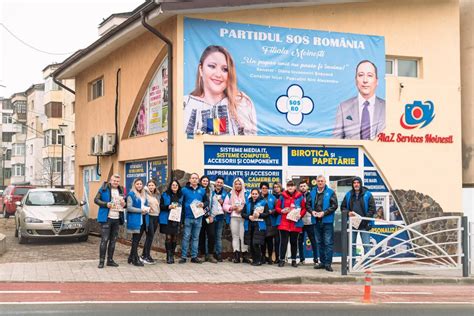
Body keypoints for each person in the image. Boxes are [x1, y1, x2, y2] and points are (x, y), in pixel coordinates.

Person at [184, 45, 257, 136]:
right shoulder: (185, 104)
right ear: (201, 69)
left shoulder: (242, 103)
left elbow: (251, 143)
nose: (218, 74)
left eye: (225, 69)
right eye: (212, 66)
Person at [333, 60, 386, 140]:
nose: (365, 80)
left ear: (376, 81)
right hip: (352, 152)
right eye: (361, 75)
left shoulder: (387, 108)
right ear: (355, 80)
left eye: (370, 75)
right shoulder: (343, 107)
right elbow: (336, 140)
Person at [341, 177, 376, 267]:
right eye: (354, 183)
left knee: (366, 245)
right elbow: (343, 207)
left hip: (365, 224)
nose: (356, 184)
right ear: (352, 184)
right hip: (353, 224)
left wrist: (365, 218)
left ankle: (367, 265)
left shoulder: (368, 194)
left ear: (360, 184)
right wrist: (348, 213)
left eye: (358, 183)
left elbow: (372, 209)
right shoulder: (349, 194)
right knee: (352, 245)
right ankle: (352, 265)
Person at [94, 173, 126, 269]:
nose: (115, 182)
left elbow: (125, 204)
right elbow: (96, 200)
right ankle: (101, 261)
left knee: (113, 240)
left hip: (117, 218)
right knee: (104, 240)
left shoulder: (121, 189)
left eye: (117, 181)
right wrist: (106, 204)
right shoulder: (104, 188)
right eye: (114, 180)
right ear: (111, 180)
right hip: (106, 218)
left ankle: (110, 260)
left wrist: (124, 203)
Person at [307, 176, 338, 272]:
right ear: (316, 182)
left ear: (325, 182)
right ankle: (322, 262)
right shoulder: (312, 192)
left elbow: (334, 205)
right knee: (319, 243)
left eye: (322, 181)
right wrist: (312, 212)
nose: (320, 182)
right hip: (316, 221)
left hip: (327, 221)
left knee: (328, 243)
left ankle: (328, 263)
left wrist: (324, 213)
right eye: (318, 181)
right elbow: (307, 205)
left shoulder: (330, 192)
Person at [275, 180, 306, 267]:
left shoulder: (300, 197)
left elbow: (304, 208)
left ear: (295, 187)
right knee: (283, 242)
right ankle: (281, 260)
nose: (290, 187)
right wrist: (281, 210)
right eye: (288, 186)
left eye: (292, 186)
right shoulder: (282, 196)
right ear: (287, 187)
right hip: (284, 222)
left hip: (295, 222)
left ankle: (293, 260)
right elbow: (277, 207)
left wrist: (300, 215)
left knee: (294, 242)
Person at [179, 173, 208, 264]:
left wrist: (203, 204)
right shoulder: (184, 190)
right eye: (193, 178)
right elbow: (180, 203)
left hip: (198, 217)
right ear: (190, 180)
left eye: (196, 178)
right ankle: (183, 256)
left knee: (196, 238)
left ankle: (194, 256)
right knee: (186, 237)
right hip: (187, 217)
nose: (194, 180)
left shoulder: (202, 190)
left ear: (198, 180)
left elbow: (207, 201)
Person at [223, 177, 251, 263]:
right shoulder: (230, 194)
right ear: (234, 185)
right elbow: (225, 205)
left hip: (243, 218)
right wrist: (231, 207)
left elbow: (250, 205)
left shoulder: (247, 194)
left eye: (239, 184)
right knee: (235, 236)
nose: (238, 185)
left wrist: (242, 209)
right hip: (234, 217)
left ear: (242, 185)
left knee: (243, 236)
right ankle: (236, 255)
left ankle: (245, 254)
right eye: (236, 184)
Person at [241, 188, 269, 266]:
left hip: (259, 225)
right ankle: (254, 260)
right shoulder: (247, 202)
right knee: (251, 243)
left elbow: (267, 214)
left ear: (258, 194)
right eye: (253, 194)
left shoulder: (263, 202)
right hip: (249, 225)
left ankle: (259, 260)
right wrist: (248, 216)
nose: (254, 195)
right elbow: (242, 214)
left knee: (255, 243)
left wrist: (259, 215)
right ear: (251, 194)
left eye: (256, 194)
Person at [126, 178, 150, 267]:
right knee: (135, 240)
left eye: (140, 184)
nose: (139, 185)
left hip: (143, 219)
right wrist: (141, 210)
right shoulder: (131, 194)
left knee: (137, 240)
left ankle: (131, 257)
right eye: (137, 184)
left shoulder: (143, 194)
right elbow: (129, 207)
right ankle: (135, 259)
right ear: (134, 185)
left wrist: (147, 208)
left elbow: (145, 204)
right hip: (135, 219)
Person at [159, 180, 184, 264]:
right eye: (173, 185)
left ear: (178, 186)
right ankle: (168, 256)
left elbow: (183, 208)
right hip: (167, 219)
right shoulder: (165, 194)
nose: (174, 186)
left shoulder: (181, 195)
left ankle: (172, 255)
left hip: (176, 219)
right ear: (170, 186)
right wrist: (168, 206)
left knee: (174, 238)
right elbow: (161, 206)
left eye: (176, 185)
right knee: (168, 238)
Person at [297, 181, 319, 267]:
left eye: (304, 186)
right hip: (301, 222)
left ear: (307, 187)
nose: (303, 187)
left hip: (310, 222)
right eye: (301, 186)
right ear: (299, 188)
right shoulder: (298, 196)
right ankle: (302, 259)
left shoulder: (312, 195)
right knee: (300, 241)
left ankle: (316, 259)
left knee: (313, 241)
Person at [198, 175, 217, 263]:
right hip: (199, 216)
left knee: (211, 234)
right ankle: (201, 254)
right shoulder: (198, 190)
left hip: (209, 216)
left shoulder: (212, 192)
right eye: (203, 181)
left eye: (206, 181)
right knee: (201, 235)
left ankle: (210, 254)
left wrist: (212, 215)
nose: (205, 182)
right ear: (200, 181)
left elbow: (214, 204)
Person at [141, 179, 160, 264]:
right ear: (147, 186)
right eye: (149, 185)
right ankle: (146, 256)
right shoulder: (144, 193)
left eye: (152, 185)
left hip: (156, 217)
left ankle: (144, 255)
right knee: (150, 235)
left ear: (155, 186)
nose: (151, 187)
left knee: (150, 237)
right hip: (149, 217)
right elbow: (142, 204)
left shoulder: (156, 194)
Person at [259, 182, 277, 265]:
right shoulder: (258, 198)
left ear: (268, 189)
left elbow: (277, 209)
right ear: (260, 189)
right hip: (261, 221)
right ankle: (263, 256)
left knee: (270, 240)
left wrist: (272, 211)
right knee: (262, 240)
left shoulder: (273, 198)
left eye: (266, 188)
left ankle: (270, 257)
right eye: (263, 188)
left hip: (271, 221)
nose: (264, 190)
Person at [212, 176, 229, 262]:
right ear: (215, 182)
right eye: (218, 182)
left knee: (218, 236)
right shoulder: (211, 192)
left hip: (220, 217)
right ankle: (209, 253)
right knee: (210, 236)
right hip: (211, 217)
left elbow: (227, 205)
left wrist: (223, 203)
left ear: (223, 184)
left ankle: (218, 253)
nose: (219, 184)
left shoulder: (225, 193)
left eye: (221, 183)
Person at [271, 182, 283, 264]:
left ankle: (279, 257)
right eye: (274, 187)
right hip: (272, 219)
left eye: (278, 187)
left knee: (279, 240)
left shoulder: (283, 196)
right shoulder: (272, 196)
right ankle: (274, 257)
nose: (276, 188)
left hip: (280, 219)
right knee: (274, 240)